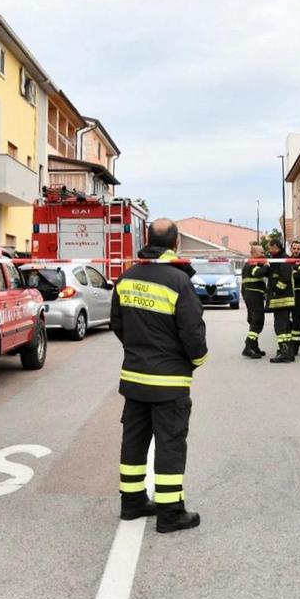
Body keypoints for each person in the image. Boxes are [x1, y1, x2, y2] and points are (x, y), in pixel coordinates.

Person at [111, 218, 206, 533]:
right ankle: (170, 513)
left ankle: (132, 503)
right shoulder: (178, 282)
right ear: (175, 244)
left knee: (134, 442)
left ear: (147, 239)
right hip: (169, 382)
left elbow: (117, 324)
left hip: (135, 377)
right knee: (170, 444)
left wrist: (139, 350)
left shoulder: (126, 279)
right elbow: (192, 331)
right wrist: (197, 359)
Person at [266, 239, 296, 363]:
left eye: (270, 248)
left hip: (281, 299)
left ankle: (284, 352)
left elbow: (284, 277)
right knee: (286, 327)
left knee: (280, 327)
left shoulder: (283, 258)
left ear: (275, 247)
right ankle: (289, 352)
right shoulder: (278, 258)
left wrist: (276, 291)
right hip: (283, 299)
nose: (269, 250)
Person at [240, 245, 268, 358]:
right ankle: (248, 346)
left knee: (253, 320)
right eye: (261, 252)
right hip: (254, 295)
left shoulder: (251, 263)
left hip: (251, 295)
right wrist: (267, 266)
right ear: (253, 253)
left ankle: (254, 347)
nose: (263, 254)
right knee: (258, 321)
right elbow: (257, 273)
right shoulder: (253, 263)